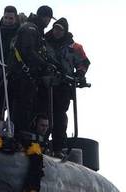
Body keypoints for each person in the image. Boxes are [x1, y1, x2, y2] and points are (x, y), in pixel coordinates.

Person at [43, 17, 89, 155]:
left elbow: (84, 62)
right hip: (45, 84)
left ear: (65, 31)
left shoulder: (74, 47)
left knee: (59, 117)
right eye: (55, 28)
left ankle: (58, 147)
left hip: (63, 86)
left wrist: (80, 74)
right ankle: (41, 143)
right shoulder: (43, 42)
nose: (57, 32)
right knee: (43, 114)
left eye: (60, 30)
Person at [9, 5, 55, 138]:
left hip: (27, 76)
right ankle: (20, 135)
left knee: (27, 106)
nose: (48, 22)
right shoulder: (30, 29)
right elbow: (27, 51)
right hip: (22, 76)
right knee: (23, 107)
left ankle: (23, 133)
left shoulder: (34, 29)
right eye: (48, 19)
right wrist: (44, 65)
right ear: (45, 17)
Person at [0, 5, 21, 124]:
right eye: (6, 18)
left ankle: (12, 130)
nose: (8, 21)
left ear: (15, 19)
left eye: (11, 18)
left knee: (14, 108)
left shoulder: (19, 34)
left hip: (15, 76)